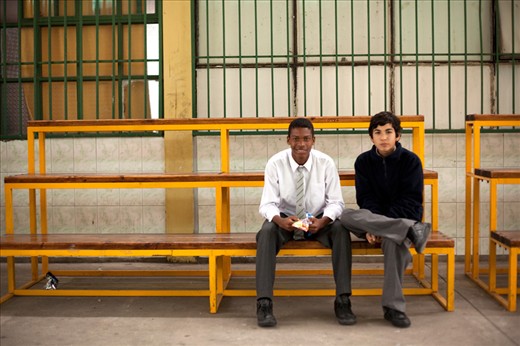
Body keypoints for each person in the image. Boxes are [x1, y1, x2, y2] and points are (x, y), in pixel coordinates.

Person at [256, 117, 355, 328]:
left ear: (313, 140)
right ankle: (264, 303)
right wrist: (280, 220)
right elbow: (267, 204)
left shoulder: (326, 163)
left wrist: (323, 220)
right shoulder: (275, 163)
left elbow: (336, 202)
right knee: (266, 232)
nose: (301, 144)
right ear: (288, 140)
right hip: (287, 220)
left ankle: (343, 300)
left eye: (306, 139)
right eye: (296, 139)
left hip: (317, 220)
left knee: (340, 230)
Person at [340, 111, 431, 328]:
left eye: (388, 132)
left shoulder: (410, 161)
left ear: (398, 135)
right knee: (343, 215)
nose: (383, 137)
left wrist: (381, 227)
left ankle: (393, 308)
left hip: (404, 216)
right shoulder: (363, 162)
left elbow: (410, 201)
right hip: (379, 221)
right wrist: (377, 225)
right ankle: (410, 230)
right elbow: (366, 199)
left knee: (394, 241)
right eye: (378, 132)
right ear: (371, 137)